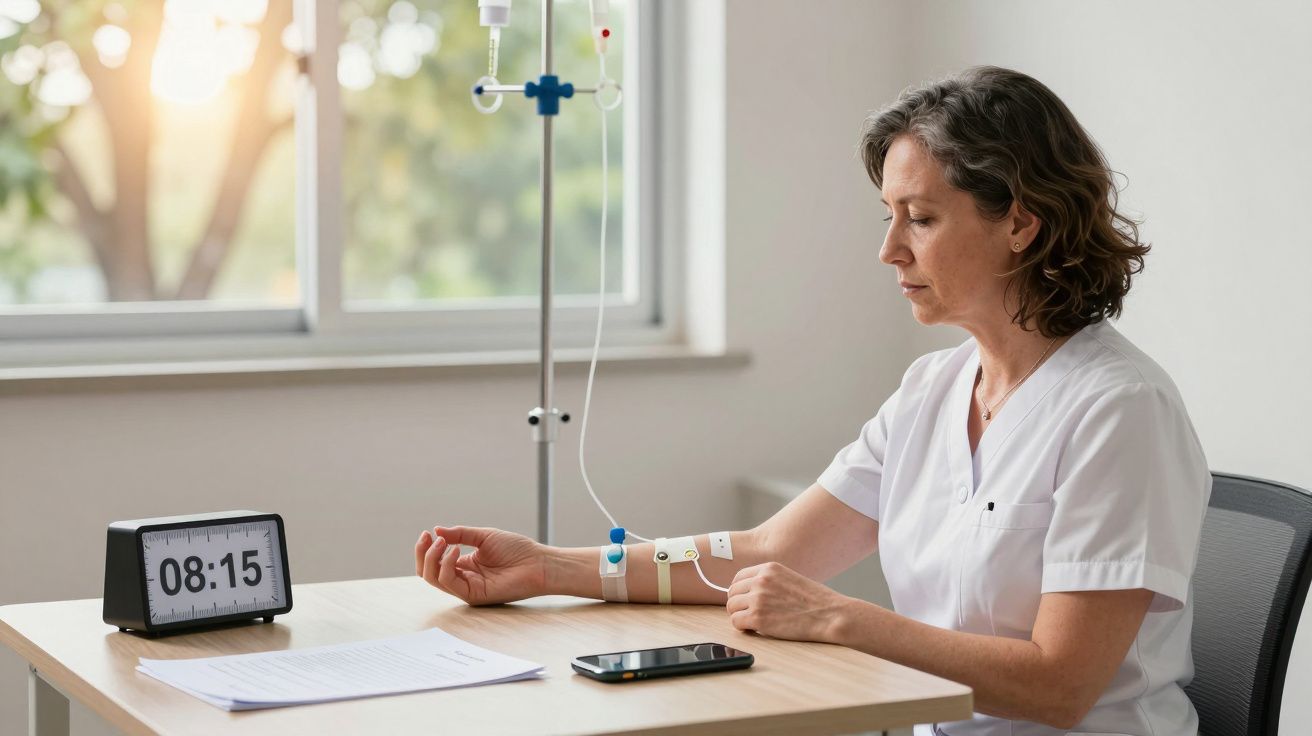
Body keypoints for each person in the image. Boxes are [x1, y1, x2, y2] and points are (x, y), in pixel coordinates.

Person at [414, 66, 1210, 736]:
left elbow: (1060, 686)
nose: (889, 249)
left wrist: (842, 619)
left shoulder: (1120, 410)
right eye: (889, 216)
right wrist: (551, 568)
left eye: (922, 219)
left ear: (1023, 225)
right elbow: (766, 553)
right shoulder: (932, 389)